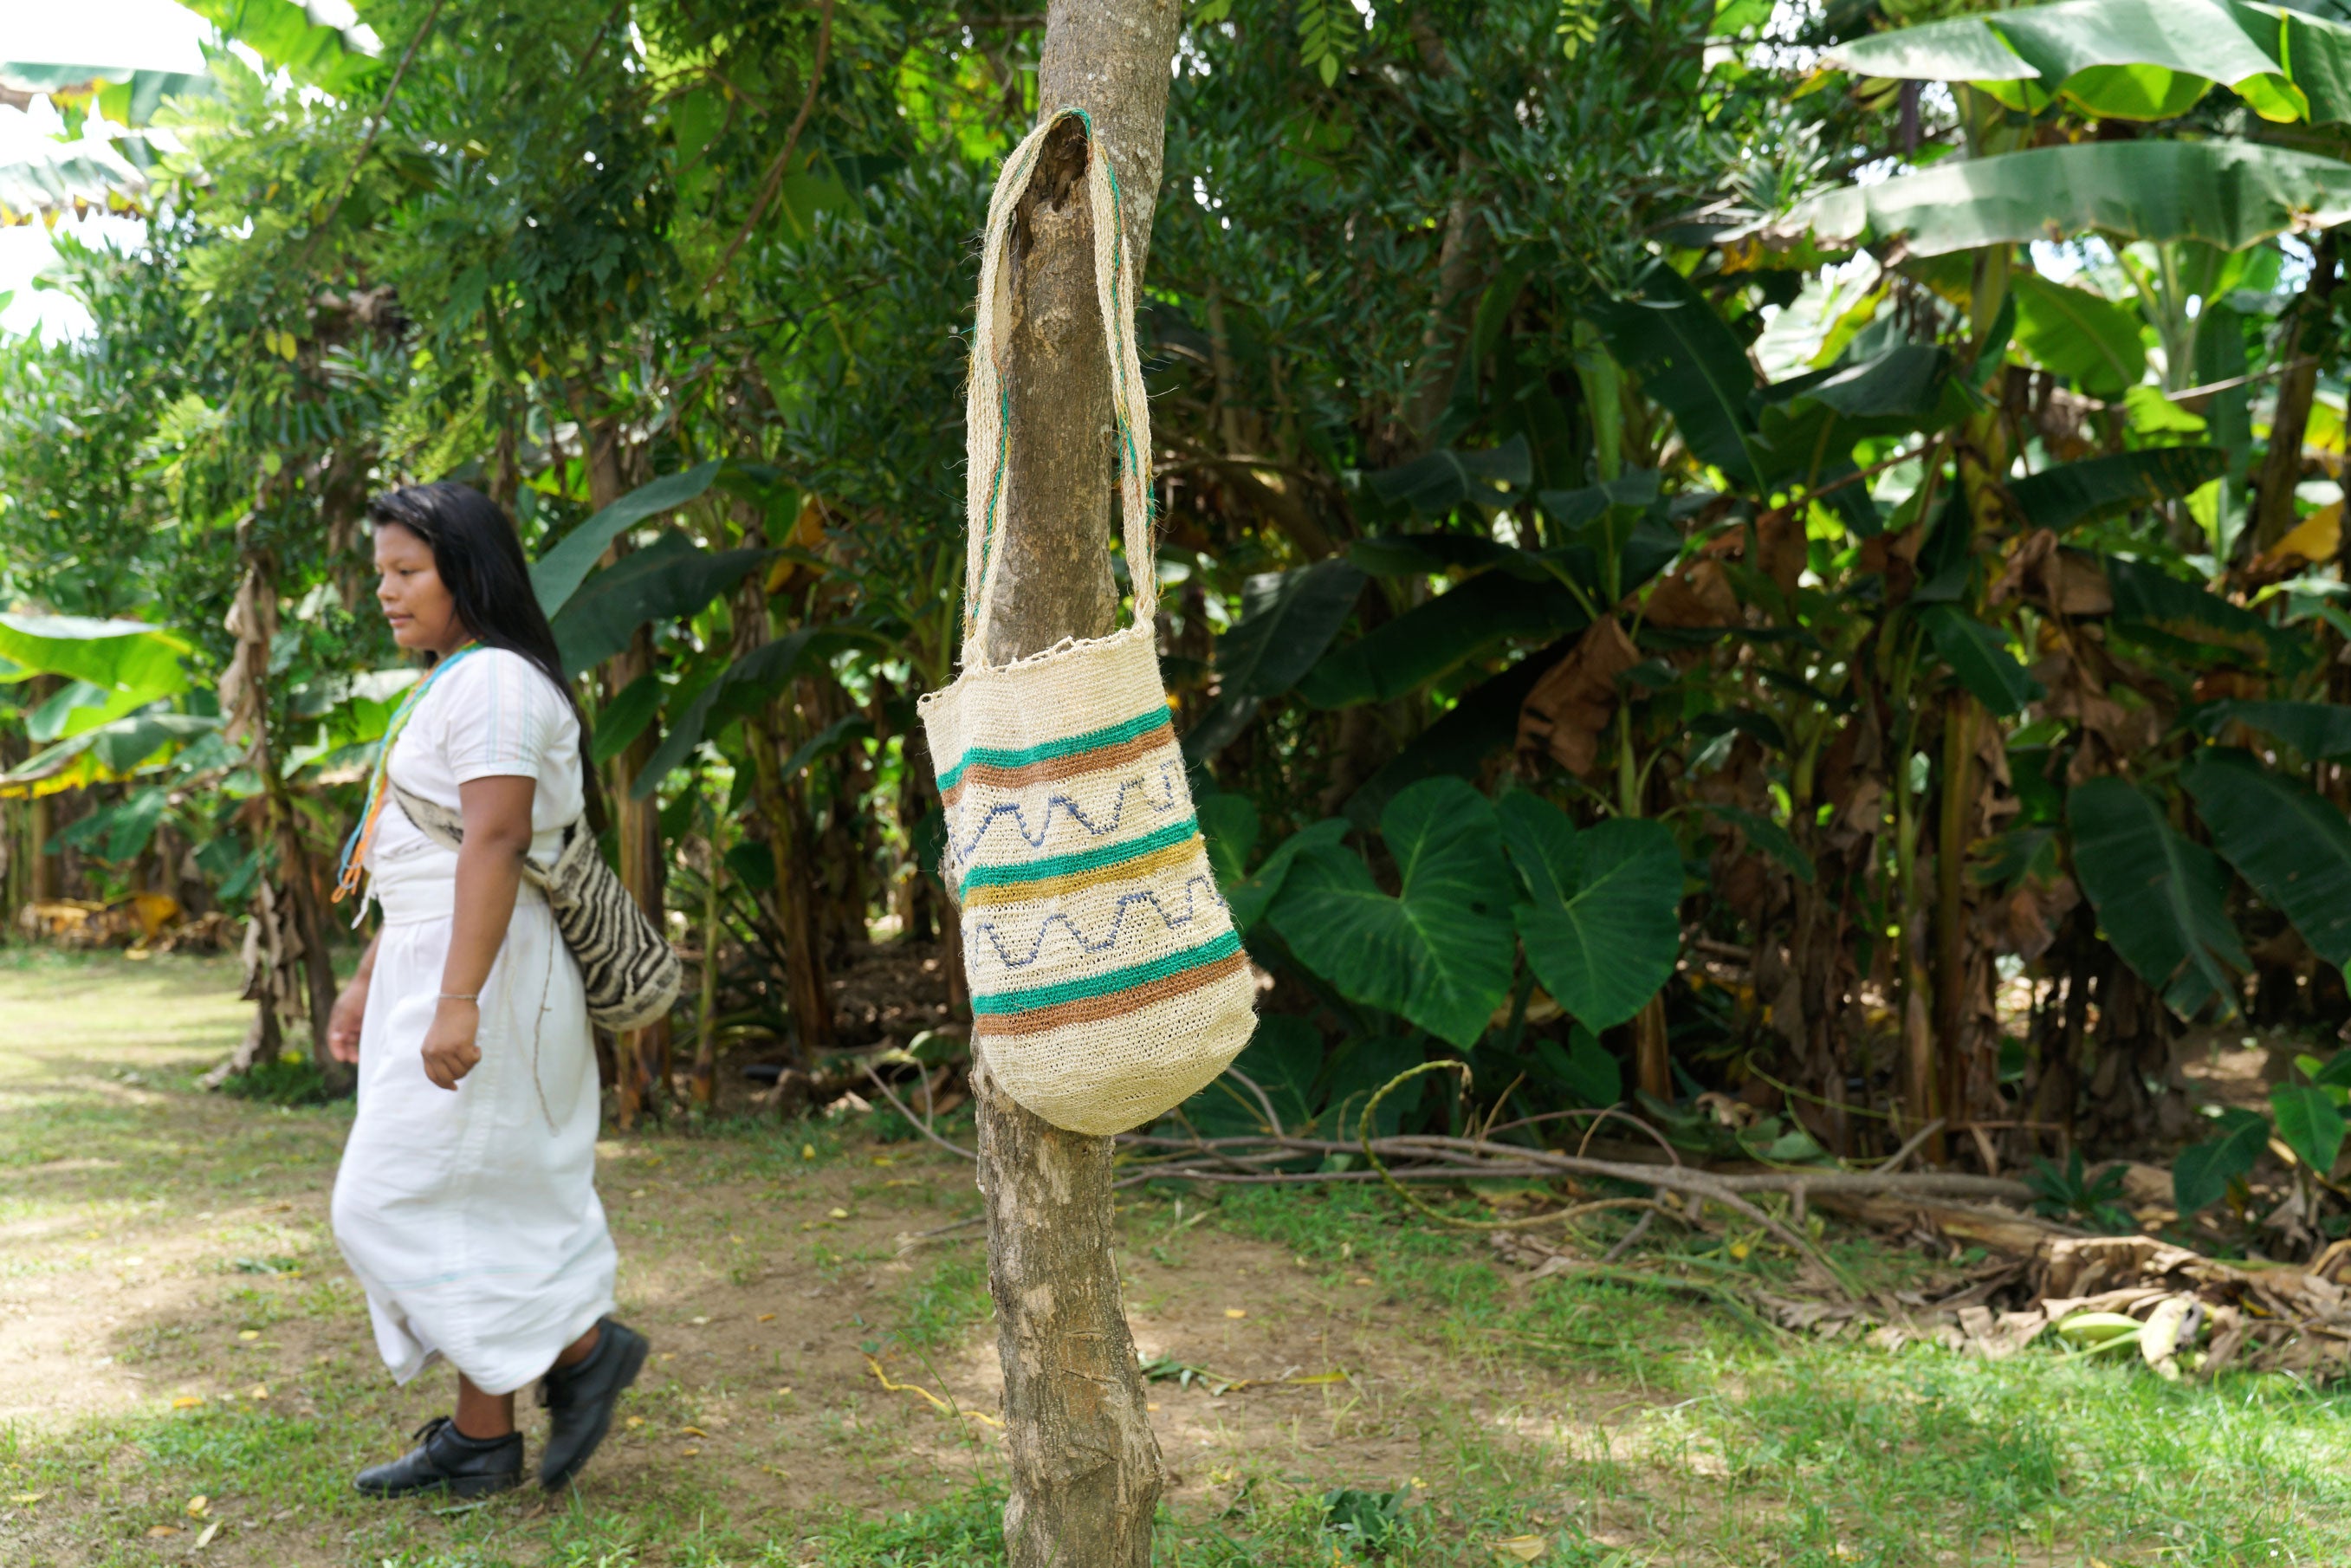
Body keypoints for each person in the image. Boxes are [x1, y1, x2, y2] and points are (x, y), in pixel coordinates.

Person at [325, 481, 647, 1498]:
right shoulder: (458, 680)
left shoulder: (499, 683)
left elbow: (500, 841)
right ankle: (480, 1438)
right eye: (380, 571)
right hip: (441, 958)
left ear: (466, 571)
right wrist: (370, 982)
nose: (385, 590)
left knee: (379, 1203)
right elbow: (429, 854)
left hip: (489, 971)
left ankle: (581, 1350)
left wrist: (455, 1000)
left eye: (406, 571)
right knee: (483, 1202)